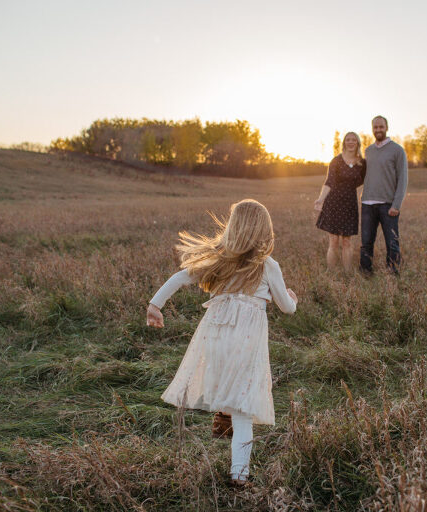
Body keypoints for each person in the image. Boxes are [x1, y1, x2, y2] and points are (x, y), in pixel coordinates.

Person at [146, 199, 298, 487]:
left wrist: (155, 305)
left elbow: (180, 277)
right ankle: (239, 475)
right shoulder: (268, 266)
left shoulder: (218, 259)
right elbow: (287, 308)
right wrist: (293, 298)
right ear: (264, 231)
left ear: (232, 228)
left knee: (225, 382)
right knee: (244, 405)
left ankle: (223, 416)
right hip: (246, 342)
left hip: (215, 337)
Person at [360, 115, 408, 275]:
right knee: (366, 242)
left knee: (392, 242)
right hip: (367, 203)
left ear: (386, 128)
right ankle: (366, 271)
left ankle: (393, 272)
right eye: (375, 127)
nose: (378, 130)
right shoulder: (368, 151)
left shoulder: (397, 150)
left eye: (381, 127)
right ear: (372, 129)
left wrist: (397, 204)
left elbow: (403, 179)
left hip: (388, 204)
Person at [314, 132, 366, 270]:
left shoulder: (362, 163)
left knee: (347, 241)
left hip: (350, 204)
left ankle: (347, 274)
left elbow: (362, 180)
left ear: (358, 143)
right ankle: (331, 273)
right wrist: (320, 199)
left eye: (353, 140)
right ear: (344, 143)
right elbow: (329, 181)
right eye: (348, 140)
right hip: (333, 203)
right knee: (334, 241)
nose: (350, 142)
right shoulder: (336, 161)